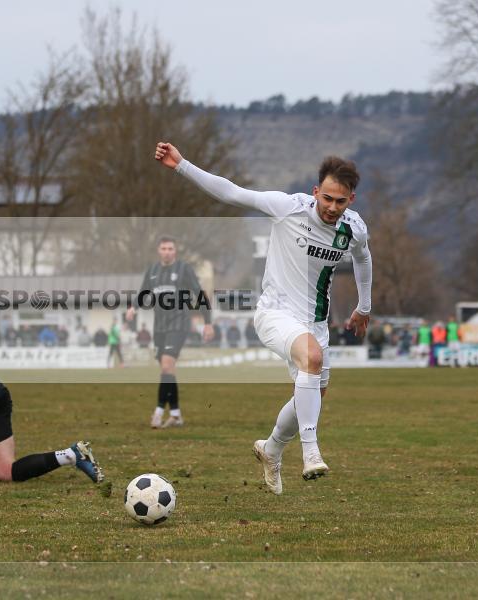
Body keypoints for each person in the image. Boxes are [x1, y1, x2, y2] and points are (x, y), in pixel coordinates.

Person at [154, 141, 371, 492]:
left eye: (340, 201)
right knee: (311, 361)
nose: (331, 207)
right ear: (316, 191)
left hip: (314, 323)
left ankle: (271, 450)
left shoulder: (354, 228)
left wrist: (365, 306)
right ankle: (311, 451)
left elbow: (363, 258)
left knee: (313, 394)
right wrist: (181, 165)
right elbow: (232, 192)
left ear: (351, 201)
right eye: (326, 198)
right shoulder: (287, 208)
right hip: (275, 313)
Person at [126, 235, 214, 429]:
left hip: (179, 323)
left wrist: (207, 322)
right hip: (159, 327)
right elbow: (143, 293)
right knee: (168, 371)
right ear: (159, 251)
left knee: (166, 366)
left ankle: (158, 412)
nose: (167, 252)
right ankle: (175, 414)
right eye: (164, 248)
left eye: (170, 249)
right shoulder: (153, 271)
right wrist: (133, 308)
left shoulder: (184, 269)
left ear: (175, 251)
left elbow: (199, 294)